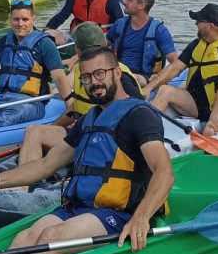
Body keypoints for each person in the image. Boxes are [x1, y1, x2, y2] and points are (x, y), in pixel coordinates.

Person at [0, 47, 175, 254]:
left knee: (52, 237)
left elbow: (164, 172)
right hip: (81, 208)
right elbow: (45, 165)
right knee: (27, 236)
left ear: (117, 73)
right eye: (87, 77)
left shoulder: (139, 115)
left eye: (100, 73)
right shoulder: (90, 119)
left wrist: (141, 217)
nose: (94, 82)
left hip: (120, 213)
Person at [17, 21, 143, 164]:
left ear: (77, 50)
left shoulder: (119, 74)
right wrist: (52, 128)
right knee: (33, 132)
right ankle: (23, 184)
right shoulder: (79, 71)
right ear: (104, 45)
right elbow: (74, 108)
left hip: (108, 138)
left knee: (34, 133)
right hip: (83, 132)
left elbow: (138, 109)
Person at [150, 3, 218, 137]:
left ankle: (216, 131)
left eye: (198, 21)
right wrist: (146, 90)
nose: (196, 24)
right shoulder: (197, 44)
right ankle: (146, 129)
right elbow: (174, 68)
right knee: (166, 90)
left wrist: (214, 117)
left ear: (209, 26)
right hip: (200, 103)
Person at [105, 0, 180, 92]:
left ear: (141, 5)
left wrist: (159, 77)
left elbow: (176, 63)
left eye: (130, 0)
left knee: (132, 78)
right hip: (118, 71)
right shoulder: (119, 24)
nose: (125, 2)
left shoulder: (160, 31)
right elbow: (102, 46)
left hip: (143, 77)